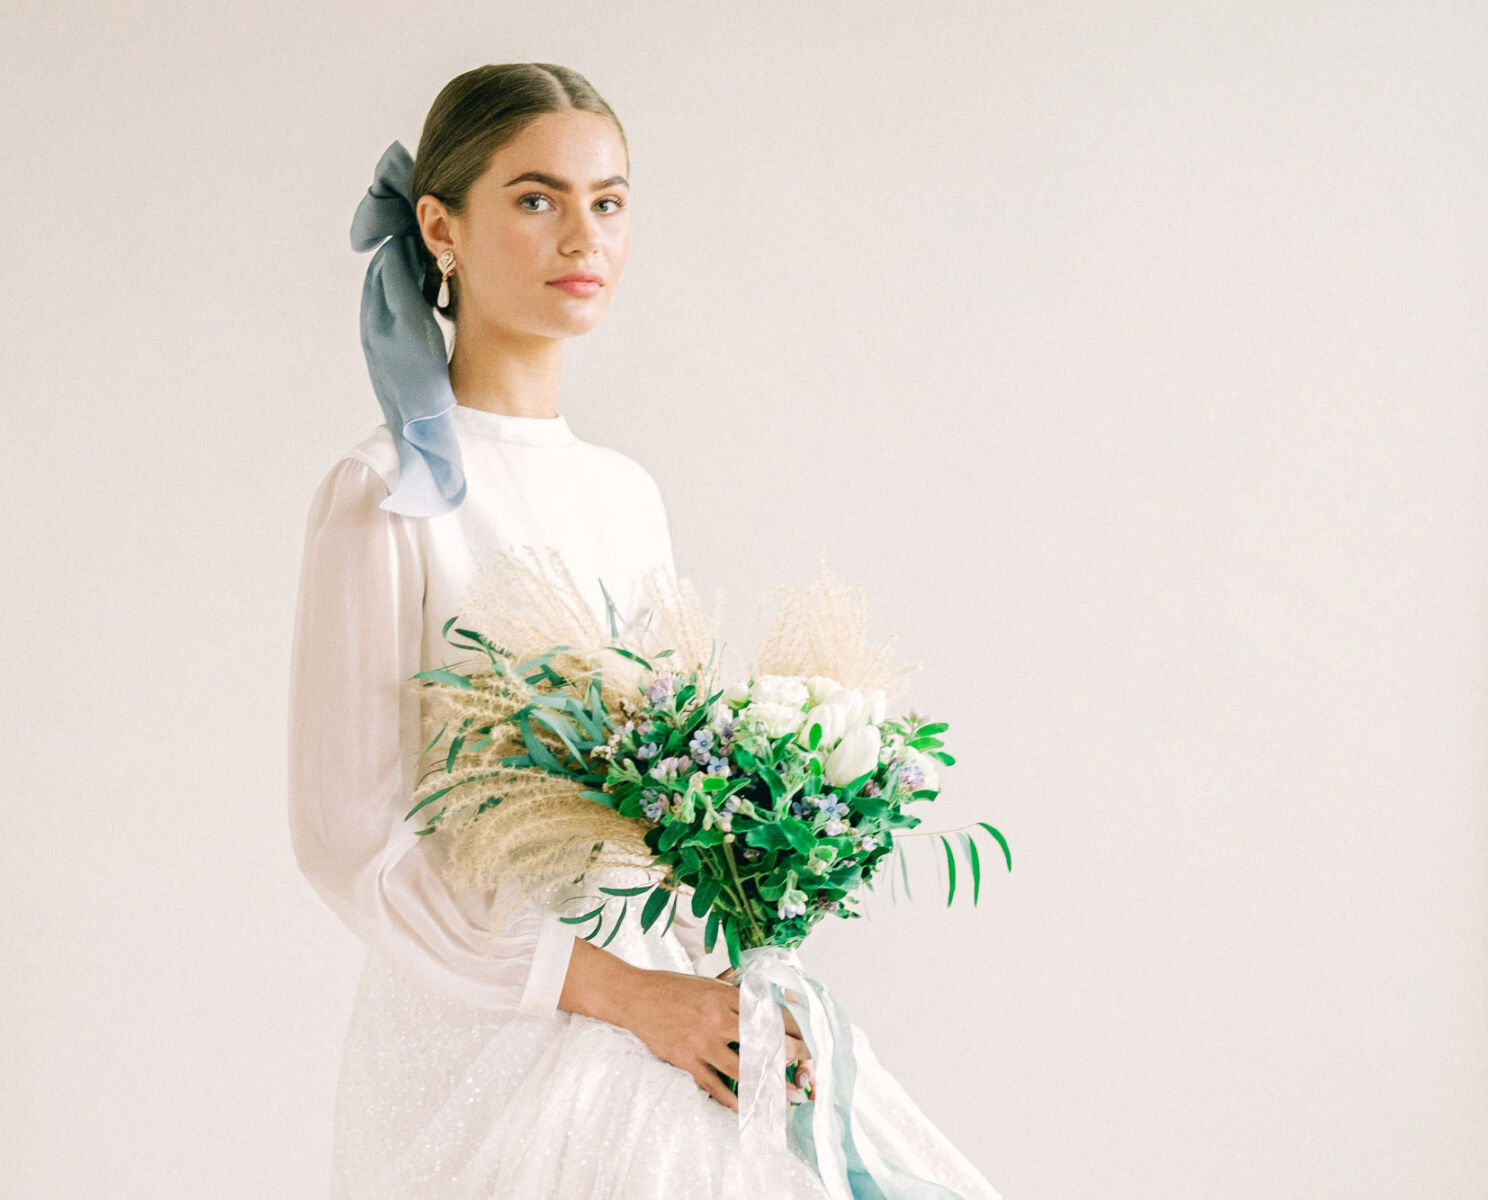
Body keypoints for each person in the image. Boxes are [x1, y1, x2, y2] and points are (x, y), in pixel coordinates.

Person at [287, 61, 1002, 1199]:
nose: (585, 235)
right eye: (536, 198)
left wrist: (741, 960)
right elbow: (351, 839)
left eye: (608, 200)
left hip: (668, 989)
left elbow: (662, 798)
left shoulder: (626, 494)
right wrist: (626, 997)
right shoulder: (387, 495)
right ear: (442, 228)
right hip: (490, 1026)